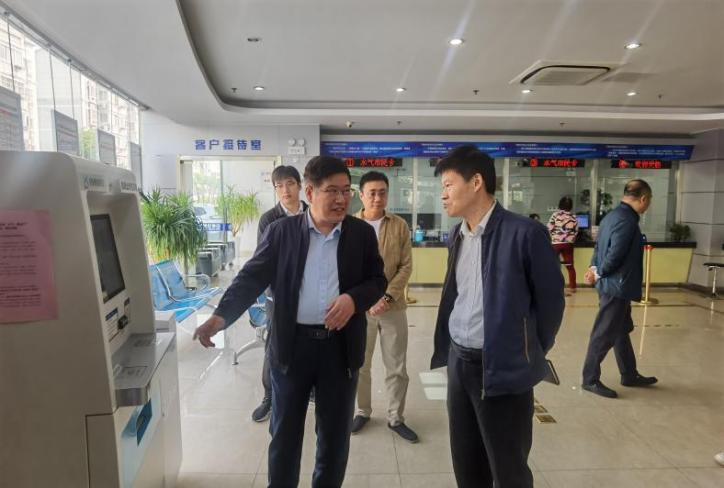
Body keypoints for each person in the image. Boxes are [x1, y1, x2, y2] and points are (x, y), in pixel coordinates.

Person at [193, 156, 387, 488]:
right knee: (284, 435)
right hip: (292, 348)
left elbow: (377, 280)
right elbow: (251, 277)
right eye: (332, 191)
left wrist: (354, 300)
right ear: (310, 192)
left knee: (334, 439)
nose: (342, 199)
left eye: (346, 191)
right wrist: (221, 316)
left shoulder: (361, 234)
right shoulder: (281, 232)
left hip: (340, 350)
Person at [430, 145, 565, 488]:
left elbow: (551, 304)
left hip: (503, 368)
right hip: (460, 363)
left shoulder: (525, 233)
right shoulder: (457, 235)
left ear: (476, 182)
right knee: (466, 463)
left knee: (508, 469)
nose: (443, 194)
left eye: (448, 185)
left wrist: (524, 350)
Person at [351, 171, 418, 443]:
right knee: (359, 364)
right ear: (361, 195)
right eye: (372, 193)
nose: (377, 198)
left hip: (393, 307)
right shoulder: (349, 225)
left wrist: (387, 297)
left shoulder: (399, 225)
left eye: (382, 192)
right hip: (359, 310)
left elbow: (406, 266)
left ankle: (395, 417)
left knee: (397, 366)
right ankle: (362, 411)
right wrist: (362, 299)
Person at [581, 179, 658, 399]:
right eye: (649, 200)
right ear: (643, 198)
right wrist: (598, 272)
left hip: (612, 284)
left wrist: (594, 269)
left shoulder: (611, 216)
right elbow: (615, 254)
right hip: (617, 286)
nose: (648, 204)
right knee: (604, 333)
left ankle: (629, 374)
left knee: (621, 330)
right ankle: (589, 379)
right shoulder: (627, 221)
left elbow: (599, 248)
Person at [251, 165, 308, 423]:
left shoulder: (313, 212)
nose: (285, 190)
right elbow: (263, 258)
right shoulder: (269, 219)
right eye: (279, 186)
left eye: (290, 184)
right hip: (279, 295)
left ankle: (308, 389)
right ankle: (269, 396)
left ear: (300, 185)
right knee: (274, 344)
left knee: (308, 341)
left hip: (310, 291)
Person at [547, 196, 578, 295]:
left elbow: (549, 228)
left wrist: (554, 236)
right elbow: (576, 231)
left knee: (553, 265)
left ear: (560, 204)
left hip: (556, 244)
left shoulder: (555, 215)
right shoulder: (573, 217)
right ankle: (573, 287)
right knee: (570, 266)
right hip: (568, 244)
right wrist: (570, 238)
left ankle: (552, 286)